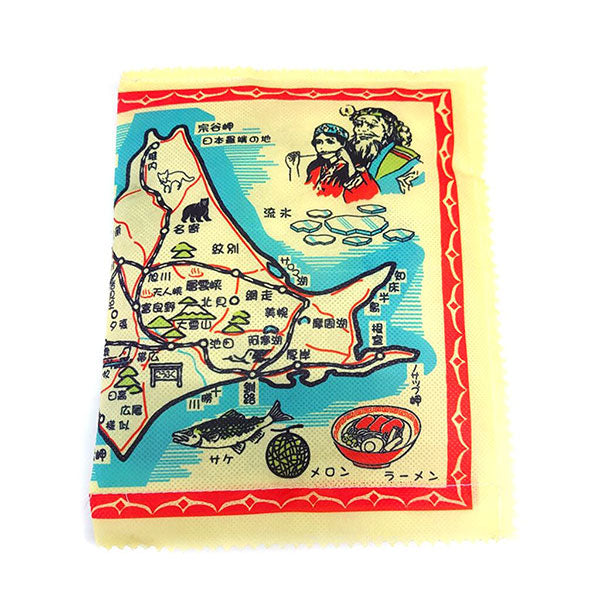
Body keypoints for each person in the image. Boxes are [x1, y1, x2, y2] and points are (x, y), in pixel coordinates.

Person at [286, 123, 379, 203]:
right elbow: (300, 195)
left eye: (330, 142)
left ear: (342, 144)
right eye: (319, 142)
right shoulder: (315, 169)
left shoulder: (357, 169)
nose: (322, 147)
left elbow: (363, 198)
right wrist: (293, 168)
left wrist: (349, 162)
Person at [344, 107, 424, 194]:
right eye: (358, 124)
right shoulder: (354, 156)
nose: (362, 130)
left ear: (389, 130)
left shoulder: (409, 163)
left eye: (371, 125)